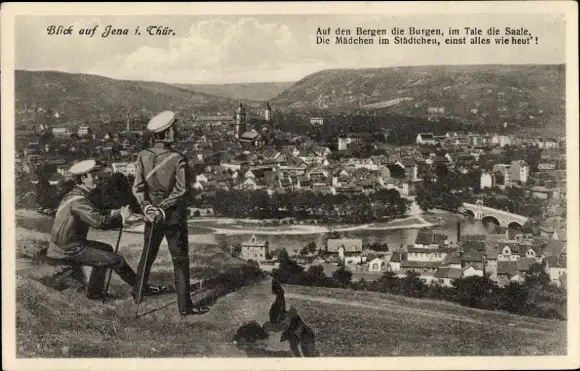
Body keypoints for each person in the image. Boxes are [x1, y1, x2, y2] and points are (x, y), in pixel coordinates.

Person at [132, 111, 209, 315]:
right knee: (180, 261)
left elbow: (138, 187)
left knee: (147, 256)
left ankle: (137, 295)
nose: (176, 130)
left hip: (151, 216)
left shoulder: (143, 155)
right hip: (172, 216)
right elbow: (181, 190)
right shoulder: (177, 158)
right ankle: (184, 307)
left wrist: (147, 207)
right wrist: (162, 207)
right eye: (173, 128)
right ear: (166, 134)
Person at [47, 159, 137, 300]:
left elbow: (93, 213)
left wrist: (114, 213)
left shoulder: (74, 195)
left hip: (65, 245)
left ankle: (95, 293)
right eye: (93, 175)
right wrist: (122, 218)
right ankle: (141, 287)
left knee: (106, 248)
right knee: (117, 260)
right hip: (70, 248)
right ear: (83, 178)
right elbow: (98, 222)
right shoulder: (79, 200)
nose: (98, 178)